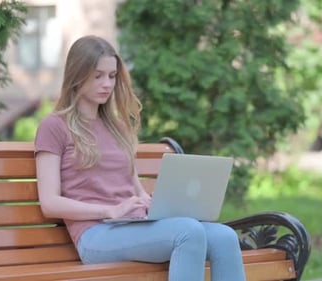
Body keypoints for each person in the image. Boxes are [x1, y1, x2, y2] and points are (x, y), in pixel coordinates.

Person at [34, 35, 246, 281]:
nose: (107, 84)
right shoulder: (54, 126)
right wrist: (111, 210)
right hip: (95, 234)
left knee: (225, 237)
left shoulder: (117, 127)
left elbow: (134, 187)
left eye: (112, 76)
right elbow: (49, 203)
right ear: (77, 75)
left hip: (132, 226)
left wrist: (154, 205)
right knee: (188, 232)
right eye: (98, 75)